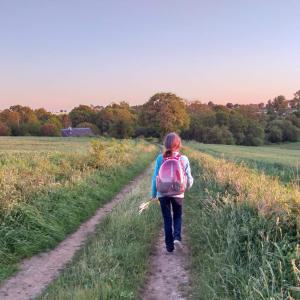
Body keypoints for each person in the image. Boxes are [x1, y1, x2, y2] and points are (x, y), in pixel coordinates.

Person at [151, 132, 193, 253]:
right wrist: (186, 187)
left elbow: (155, 177)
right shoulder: (183, 159)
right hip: (178, 193)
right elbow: (189, 178)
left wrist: (154, 194)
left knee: (167, 218)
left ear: (165, 144)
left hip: (162, 193)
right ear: (179, 144)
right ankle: (177, 238)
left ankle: (169, 246)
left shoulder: (160, 158)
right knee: (178, 215)